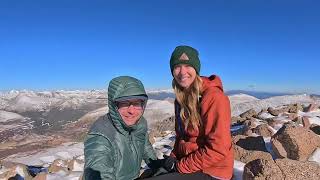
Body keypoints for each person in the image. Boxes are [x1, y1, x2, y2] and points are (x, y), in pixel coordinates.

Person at [147, 46, 234, 180]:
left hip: (212, 170)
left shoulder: (214, 97)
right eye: (177, 67)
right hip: (190, 163)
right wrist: (172, 159)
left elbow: (218, 149)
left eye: (188, 65)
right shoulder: (180, 100)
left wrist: (179, 167)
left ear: (196, 69)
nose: (182, 72)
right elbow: (181, 136)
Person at [83, 76, 157, 180]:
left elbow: (145, 146)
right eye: (125, 103)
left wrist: (157, 165)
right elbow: (98, 169)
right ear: (114, 105)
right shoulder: (100, 136)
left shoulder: (140, 123)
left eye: (136, 103)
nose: (131, 111)